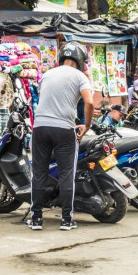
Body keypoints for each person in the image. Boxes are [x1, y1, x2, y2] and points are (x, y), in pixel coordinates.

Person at [29, 41, 94, 231]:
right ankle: (66, 220)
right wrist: (87, 125)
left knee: (38, 174)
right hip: (64, 129)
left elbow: (44, 100)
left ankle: (36, 219)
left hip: (40, 128)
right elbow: (89, 103)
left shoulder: (47, 74)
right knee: (66, 174)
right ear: (81, 60)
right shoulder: (80, 76)